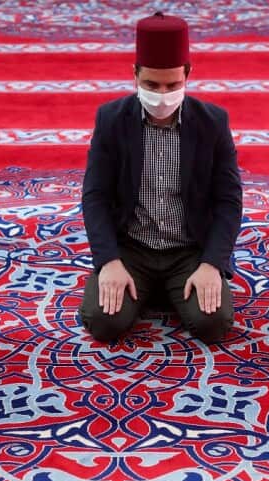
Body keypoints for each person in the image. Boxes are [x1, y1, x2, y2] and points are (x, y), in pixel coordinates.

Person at [79, 11, 242, 344]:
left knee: (213, 324)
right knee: (104, 323)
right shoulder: (111, 119)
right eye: (151, 85)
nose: (162, 95)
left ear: (187, 74)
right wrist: (109, 261)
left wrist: (212, 264)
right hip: (132, 248)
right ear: (135, 74)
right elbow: (95, 196)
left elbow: (229, 200)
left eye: (173, 85)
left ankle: (164, 289)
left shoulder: (212, 122)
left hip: (188, 249)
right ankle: (153, 289)